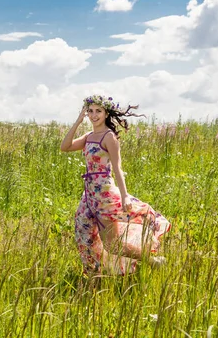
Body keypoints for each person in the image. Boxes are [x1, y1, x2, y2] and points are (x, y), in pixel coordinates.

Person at [60, 94, 171, 275]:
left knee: (112, 245)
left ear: (106, 113)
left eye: (98, 111)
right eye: (90, 111)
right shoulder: (88, 136)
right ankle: (97, 273)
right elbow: (65, 147)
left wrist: (125, 195)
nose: (94, 115)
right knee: (83, 233)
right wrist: (78, 121)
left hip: (104, 195)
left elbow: (117, 168)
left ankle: (153, 261)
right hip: (88, 196)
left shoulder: (109, 136)